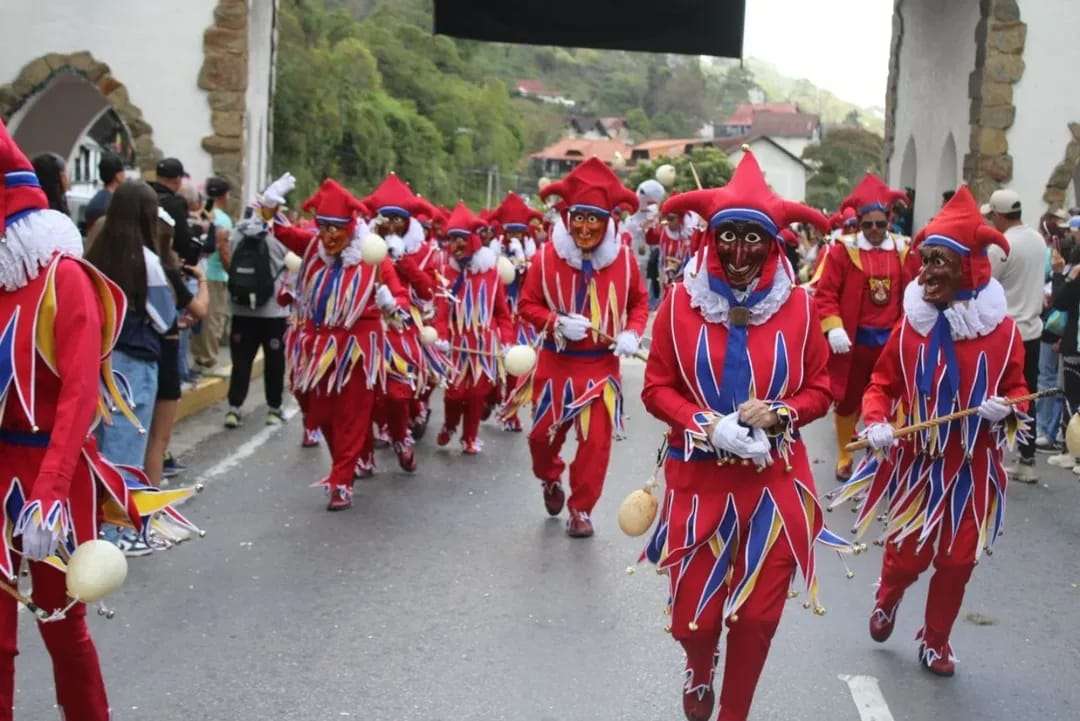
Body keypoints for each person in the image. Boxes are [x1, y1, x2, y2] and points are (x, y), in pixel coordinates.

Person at [641, 150, 847, 721]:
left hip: (773, 488)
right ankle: (699, 661)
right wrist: (707, 424)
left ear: (775, 243)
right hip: (698, 481)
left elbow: (821, 390)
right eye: (727, 236)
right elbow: (656, 388)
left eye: (753, 239)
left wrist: (782, 414)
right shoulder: (679, 305)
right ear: (710, 239)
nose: (738, 253)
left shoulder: (801, 310)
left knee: (756, 618)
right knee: (693, 617)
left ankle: (734, 711)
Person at [0, 119, 195, 721]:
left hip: (51, 475)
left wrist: (51, 493)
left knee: (64, 629)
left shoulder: (66, 281)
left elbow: (80, 398)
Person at [838, 186, 1028, 678]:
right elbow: (881, 383)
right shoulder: (911, 328)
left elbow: (1020, 391)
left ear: (969, 268)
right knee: (908, 557)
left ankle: (936, 640)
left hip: (972, 469)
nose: (926, 274)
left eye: (939, 262)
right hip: (918, 467)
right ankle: (889, 594)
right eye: (925, 261)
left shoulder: (1003, 334)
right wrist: (877, 422)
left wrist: (1004, 410)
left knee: (958, 561)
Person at [517, 158, 649, 538]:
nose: (585, 227)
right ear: (567, 216)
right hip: (555, 365)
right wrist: (555, 322)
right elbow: (527, 305)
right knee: (541, 438)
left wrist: (632, 332)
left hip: (600, 367)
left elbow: (639, 302)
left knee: (595, 445)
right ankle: (550, 477)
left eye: (594, 218)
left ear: (608, 220)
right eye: (579, 217)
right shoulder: (545, 258)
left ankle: (582, 509)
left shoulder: (623, 260)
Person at [271, 179, 405, 510]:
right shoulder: (313, 247)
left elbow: (398, 296)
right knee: (319, 411)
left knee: (353, 414)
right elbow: (281, 232)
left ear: (352, 227)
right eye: (324, 226)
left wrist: (390, 303)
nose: (330, 235)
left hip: (359, 346)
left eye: (338, 228)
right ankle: (344, 462)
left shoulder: (373, 257)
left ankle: (341, 481)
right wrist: (269, 204)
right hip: (316, 346)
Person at [85, 182, 180, 554]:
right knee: (128, 450)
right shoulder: (147, 260)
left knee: (101, 448)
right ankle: (118, 535)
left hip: (97, 359)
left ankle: (93, 529)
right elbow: (165, 316)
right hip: (134, 364)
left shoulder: (94, 252)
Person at [813, 174, 911, 481]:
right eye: (867, 224)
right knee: (849, 399)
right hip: (854, 342)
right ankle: (845, 453)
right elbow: (826, 293)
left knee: (889, 399)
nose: (874, 230)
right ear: (858, 223)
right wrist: (833, 327)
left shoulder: (903, 250)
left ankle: (880, 452)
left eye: (880, 224)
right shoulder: (843, 250)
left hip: (891, 343)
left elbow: (913, 294)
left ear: (890, 221)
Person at [359, 174, 437, 472]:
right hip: (365, 322)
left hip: (408, 320)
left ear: (408, 222)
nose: (391, 225)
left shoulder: (424, 250)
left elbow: (428, 289)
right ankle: (363, 452)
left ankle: (403, 430)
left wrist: (403, 260)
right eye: (386, 218)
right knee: (362, 393)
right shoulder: (363, 248)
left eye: (398, 219)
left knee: (400, 389)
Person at [432, 202, 515, 455]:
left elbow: (502, 312)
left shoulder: (491, 274)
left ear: (474, 241)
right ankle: (449, 424)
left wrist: (507, 340)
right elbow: (442, 311)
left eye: (461, 239)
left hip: (484, 345)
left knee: (478, 394)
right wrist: (442, 337)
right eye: (451, 239)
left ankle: (470, 437)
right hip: (457, 343)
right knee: (455, 394)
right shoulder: (446, 272)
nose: (455, 245)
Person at [982, 189, 1046, 483]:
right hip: (1032, 329)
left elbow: (983, 283)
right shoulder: (1037, 239)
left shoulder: (1002, 245)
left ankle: (990, 454)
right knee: (1026, 393)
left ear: (997, 214)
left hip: (1005, 332)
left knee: (993, 397)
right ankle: (1027, 457)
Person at [143, 211, 209, 488]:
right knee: (158, 441)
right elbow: (200, 310)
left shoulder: (127, 261)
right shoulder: (164, 269)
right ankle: (148, 507)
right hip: (164, 356)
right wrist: (202, 281)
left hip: (138, 352)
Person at [224, 174, 295, 429]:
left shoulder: (238, 232)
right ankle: (274, 409)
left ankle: (234, 408)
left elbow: (231, 259)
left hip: (241, 308)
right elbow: (292, 268)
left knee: (240, 360)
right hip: (273, 310)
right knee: (274, 362)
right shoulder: (280, 236)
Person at [191, 176, 233, 370]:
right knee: (213, 319)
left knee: (200, 318)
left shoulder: (203, 212)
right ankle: (207, 359)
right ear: (224, 196)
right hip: (216, 274)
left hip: (199, 271)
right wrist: (232, 271)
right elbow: (224, 249)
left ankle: (199, 355)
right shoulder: (223, 219)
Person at [150, 157, 201, 265]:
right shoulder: (175, 203)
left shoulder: (146, 196)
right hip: (165, 262)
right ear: (178, 179)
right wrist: (199, 229)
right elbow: (182, 240)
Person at [82, 151, 125, 233]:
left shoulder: (96, 200)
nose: (125, 175)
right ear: (118, 176)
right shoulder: (113, 205)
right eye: (123, 171)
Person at [30, 152, 70, 217]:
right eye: (66, 173)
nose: (68, 178)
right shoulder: (59, 214)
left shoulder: (29, 207)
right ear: (62, 177)